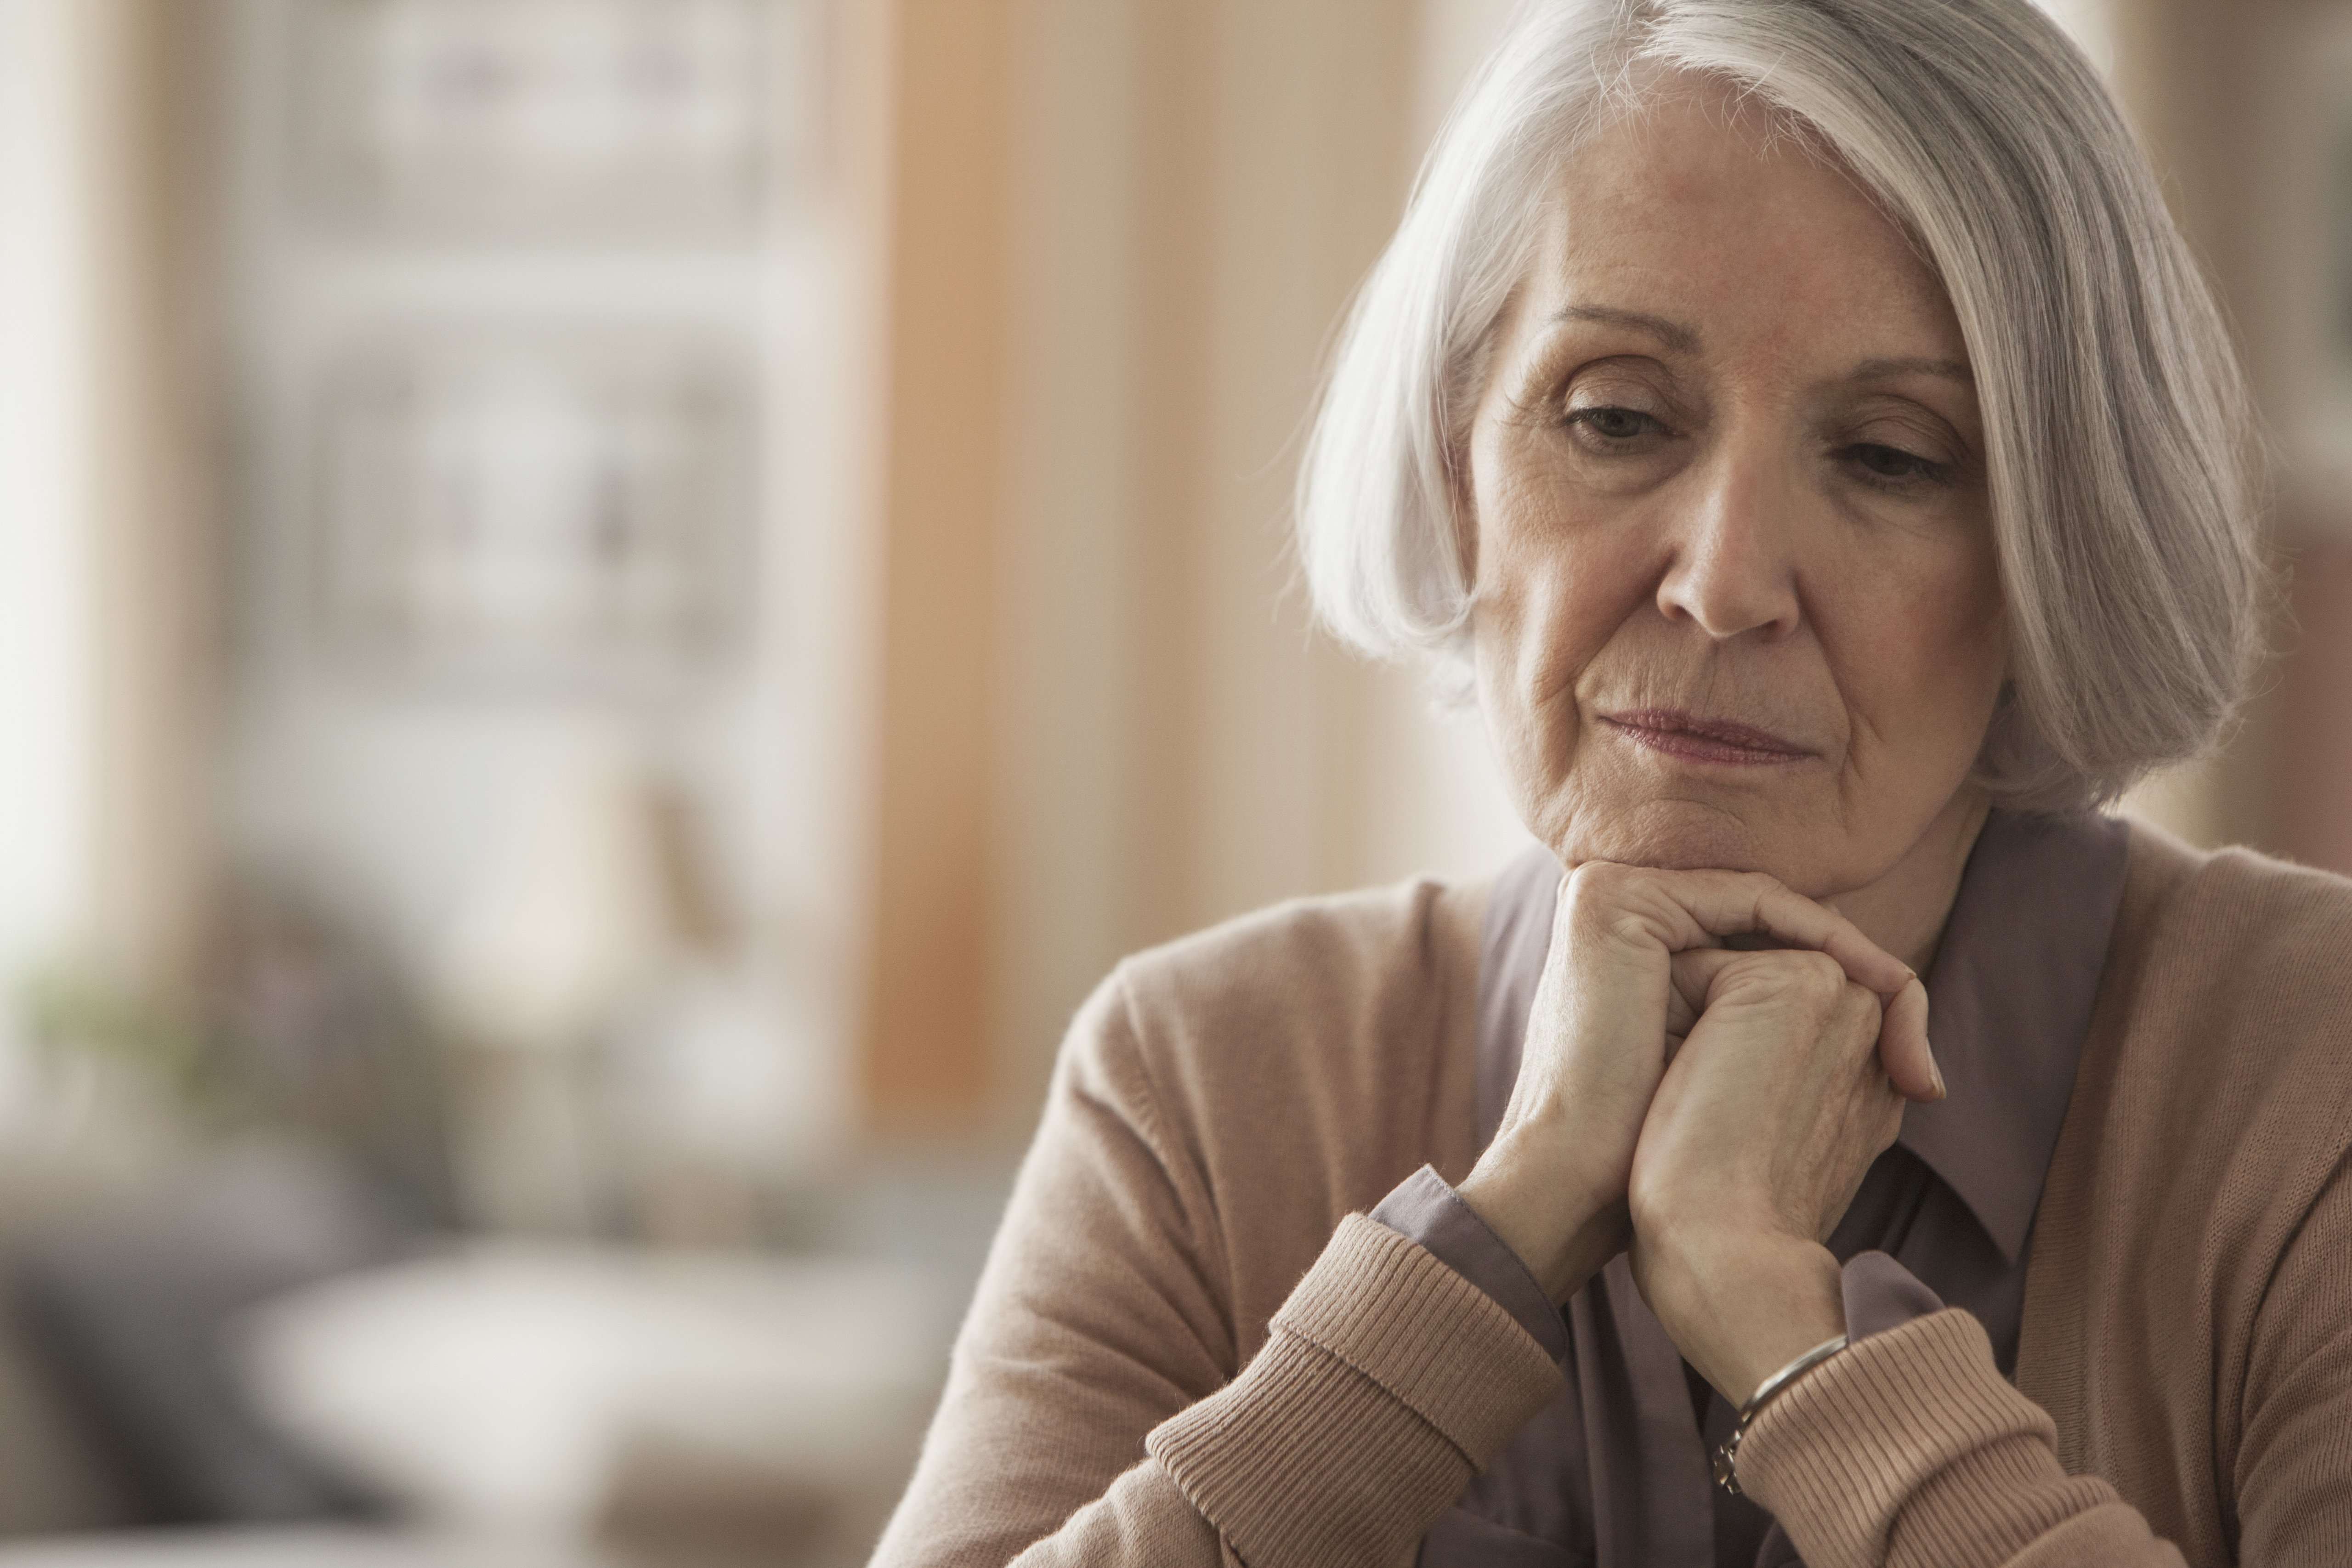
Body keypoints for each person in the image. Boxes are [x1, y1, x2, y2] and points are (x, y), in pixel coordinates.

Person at [872, 2, 2352, 1564]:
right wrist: (1483, 1251)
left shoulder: (2309, 1073)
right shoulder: (1199, 1083)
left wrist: (1796, 1344)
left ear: (2055, 548)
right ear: (1461, 466)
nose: (1723, 582)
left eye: (1894, 456)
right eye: (1618, 419)